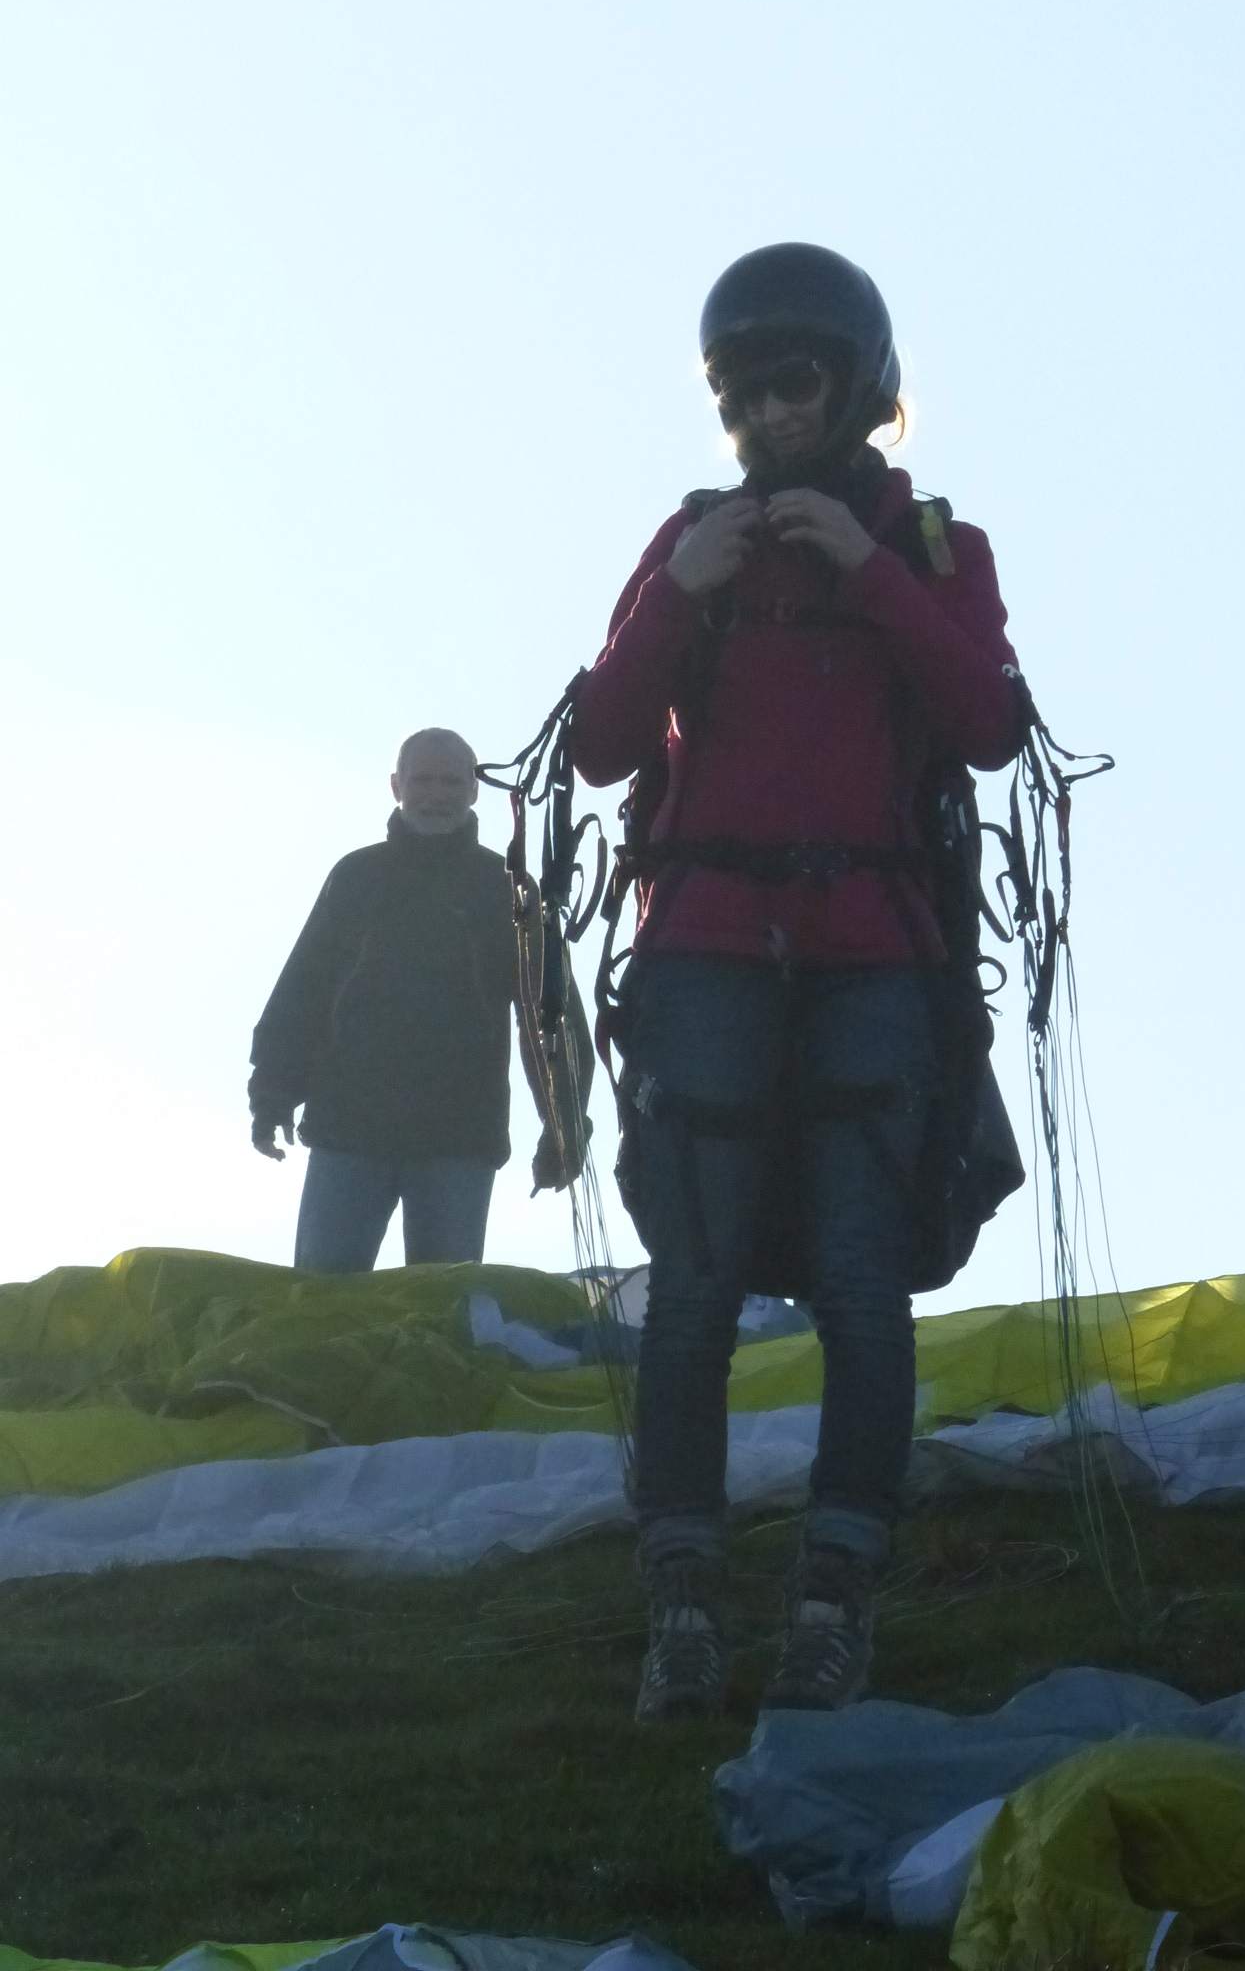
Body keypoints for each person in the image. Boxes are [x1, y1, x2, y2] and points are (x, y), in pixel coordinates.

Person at [569, 243, 1030, 1720]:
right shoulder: (690, 542)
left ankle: (834, 1603)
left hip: (873, 959)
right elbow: (601, 744)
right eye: (743, 395)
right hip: (707, 949)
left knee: (859, 1280)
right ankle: (683, 1609)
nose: (768, 415)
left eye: (793, 385)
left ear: (856, 388)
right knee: (694, 1286)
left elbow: (988, 725)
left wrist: (871, 573)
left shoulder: (935, 549)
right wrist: (677, 594)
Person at [249, 726, 592, 1272]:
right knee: (319, 1301)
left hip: (460, 1139)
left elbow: (551, 1017)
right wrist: (271, 1094)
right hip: (349, 1130)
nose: (436, 794)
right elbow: (302, 992)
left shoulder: (507, 888)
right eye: (423, 781)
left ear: (474, 790)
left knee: (444, 1307)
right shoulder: (356, 876)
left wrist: (564, 1124)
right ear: (396, 786)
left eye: (451, 782)